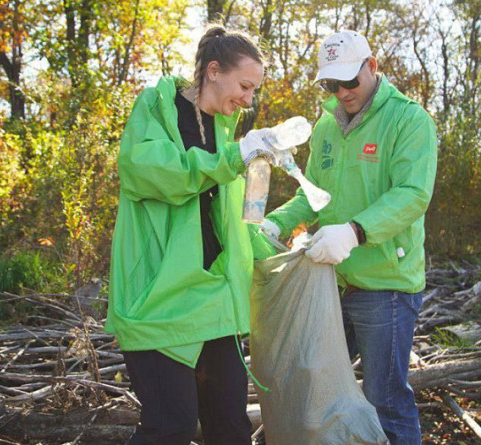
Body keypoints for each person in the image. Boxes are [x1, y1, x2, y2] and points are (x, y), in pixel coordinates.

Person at [261, 29, 438, 444]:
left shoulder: (409, 120)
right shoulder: (326, 127)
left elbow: (413, 195)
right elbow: (314, 196)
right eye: (331, 84)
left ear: (372, 67)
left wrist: (357, 232)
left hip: (386, 286)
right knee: (313, 381)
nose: (341, 92)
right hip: (333, 282)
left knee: (386, 399)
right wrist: (276, 223)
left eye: (349, 81)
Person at [105, 24, 276, 444]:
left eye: (254, 91)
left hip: (214, 299)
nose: (248, 99)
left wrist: (274, 245)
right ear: (213, 70)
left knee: (230, 428)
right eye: (245, 85)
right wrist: (235, 156)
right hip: (159, 300)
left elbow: (227, 217)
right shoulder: (156, 107)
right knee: (171, 427)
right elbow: (157, 174)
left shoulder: (223, 126)